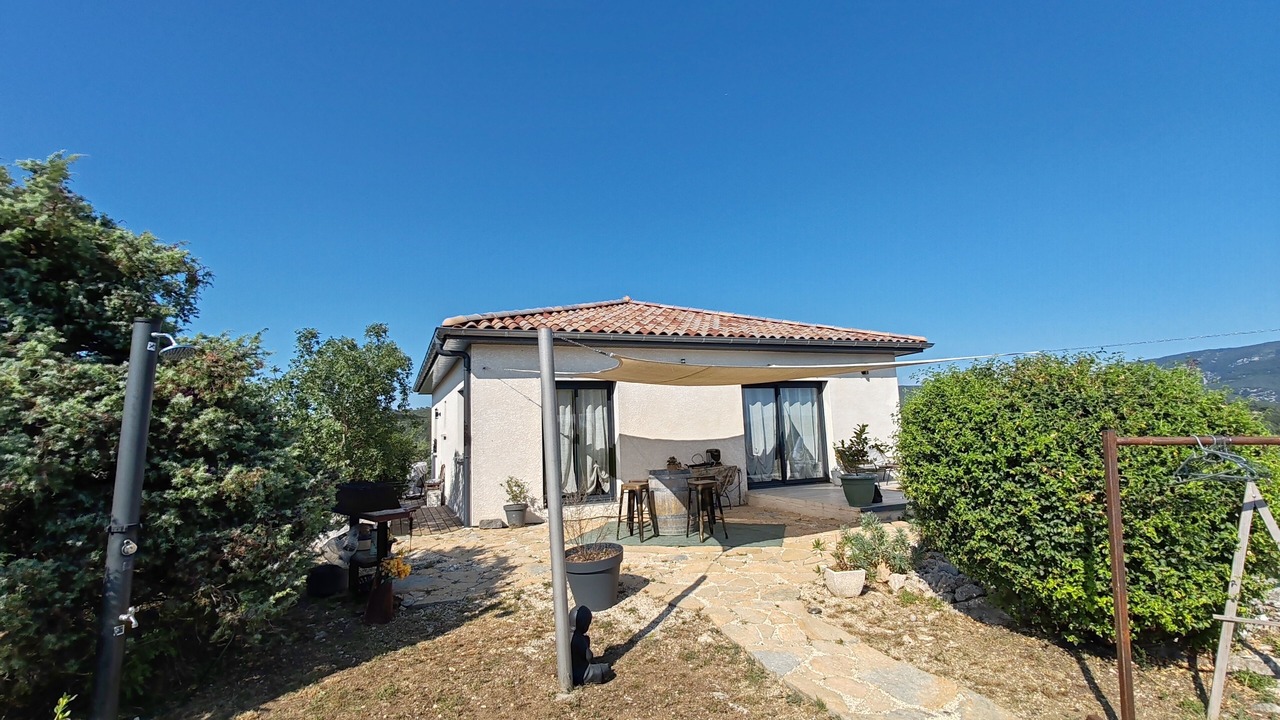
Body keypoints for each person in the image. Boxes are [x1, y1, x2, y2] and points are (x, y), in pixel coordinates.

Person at [569, 605, 614, 685]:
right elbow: (589, 657)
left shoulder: (566, 634)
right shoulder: (579, 639)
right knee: (606, 669)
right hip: (581, 674)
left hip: (568, 671)